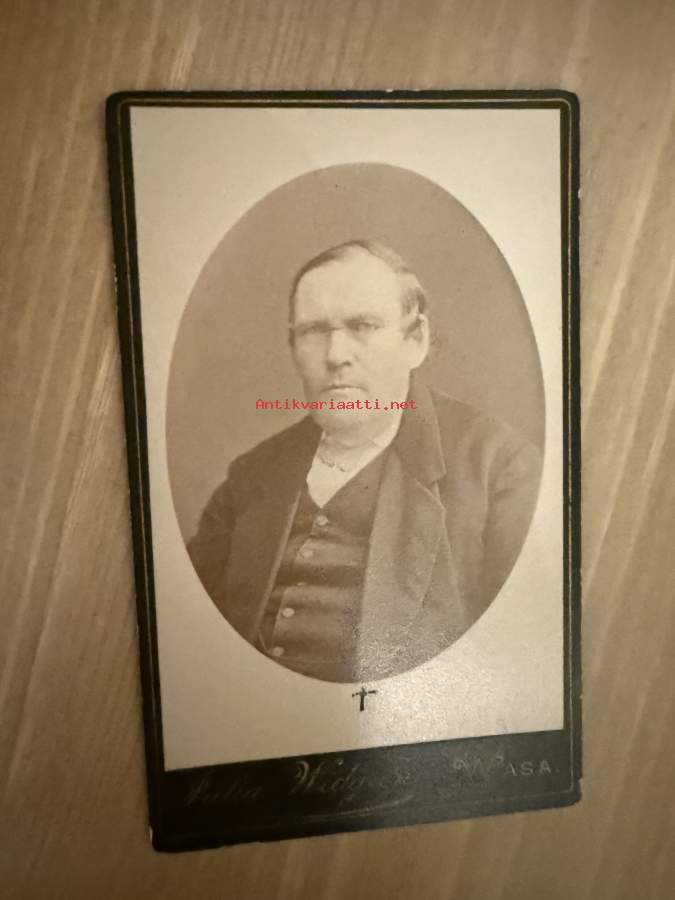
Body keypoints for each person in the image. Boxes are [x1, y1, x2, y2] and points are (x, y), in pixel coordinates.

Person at [188, 240, 542, 682]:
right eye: (314, 330)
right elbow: (189, 631)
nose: (336, 354)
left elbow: (518, 658)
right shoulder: (253, 474)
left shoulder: (499, 467)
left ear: (416, 340)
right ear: (293, 346)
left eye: (363, 326)